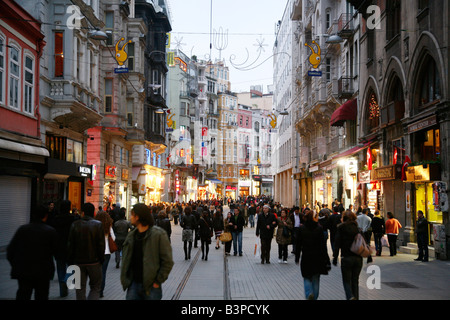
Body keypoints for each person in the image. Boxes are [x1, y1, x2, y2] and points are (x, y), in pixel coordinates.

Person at [120, 203, 174, 300]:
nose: (130, 217)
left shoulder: (158, 235)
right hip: (133, 284)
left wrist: (158, 281)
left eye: (132, 215)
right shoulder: (131, 235)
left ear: (138, 217)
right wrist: (126, 280)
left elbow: (168, 261)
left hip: (151, 286)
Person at [7, 205, 57, 300]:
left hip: (24, 271)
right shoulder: (50, 231)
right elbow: (56, 252)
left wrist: (15, 265)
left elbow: (10, 251)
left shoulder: (22, 230)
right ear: (45, 216)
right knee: (41, 295)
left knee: (23, 294)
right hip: (43, 272)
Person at [67, 203, 105, 300]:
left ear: (82, 213)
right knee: (96, 287)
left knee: (79, 288)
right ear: (93, 212)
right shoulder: (98, 225)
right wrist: (101, 259)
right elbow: (101, 245)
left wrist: (70, 261)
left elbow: (71, 244)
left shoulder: (75, 225)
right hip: (94, 262)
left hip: (78, 262)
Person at [295, 210, 330, 300]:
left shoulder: (302, 228)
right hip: (317, 257)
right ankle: (314, 296)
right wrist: (326, 259)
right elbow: (323, 246)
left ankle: (308, 293)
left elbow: (298, 244)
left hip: (306, 256)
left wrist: (297, 257)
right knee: (315, 278)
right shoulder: (319, 228)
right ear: (314, 218)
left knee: (306, 276)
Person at [332, 210, 363, 300]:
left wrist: (335, 257)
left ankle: (350, 296)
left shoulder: (341, 228)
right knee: (355, 281)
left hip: (346, 258)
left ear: (344, 218)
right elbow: (364, 242)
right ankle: (355, 298)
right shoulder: (357, 228)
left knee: (346, 281)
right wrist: (368, 256)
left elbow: (337, 243)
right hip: (358, 258)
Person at [53, 199, 75, 297]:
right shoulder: (73, 219)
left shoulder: (56, 219)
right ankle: (69, 281)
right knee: (72, 267)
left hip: (59, 248)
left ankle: (62, 288)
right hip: (71, 248)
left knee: (60, 268)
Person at [95, 210, 116, 298]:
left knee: (96, 272)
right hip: (106, 252)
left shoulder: (95, 225)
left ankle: (95, 289)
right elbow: (114, 238)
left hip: (96, 252)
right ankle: (101, 291)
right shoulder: (109, 226)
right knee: (103, 272)